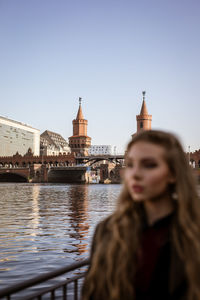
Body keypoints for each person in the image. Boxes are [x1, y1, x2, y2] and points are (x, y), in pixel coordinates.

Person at [82, 130, 200, 300]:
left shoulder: (193, 232)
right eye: (130, 165)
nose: (135, 174)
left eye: (149, 165)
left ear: (173, 173)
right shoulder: (107, 231)